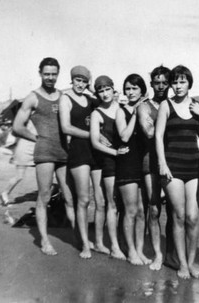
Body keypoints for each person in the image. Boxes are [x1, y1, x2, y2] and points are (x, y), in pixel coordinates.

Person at [13, 57, 75, 255]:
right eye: (46, 73)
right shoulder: (33, 97)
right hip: (45, 152)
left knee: (70, 196)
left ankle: (78, 237)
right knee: (45, 196)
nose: (50, 77)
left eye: (53, 74)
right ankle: (45, 241)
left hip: (64, 152)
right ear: (40, 73)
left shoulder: (63, 96)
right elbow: (16, 127)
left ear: (58, 74)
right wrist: (36, 138)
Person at [155, 65, 199, 279]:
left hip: (194, 166)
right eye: (174, 82)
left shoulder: (197, 106)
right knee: (178, 215)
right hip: (173, 167)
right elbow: (158, 137)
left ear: (189, 83)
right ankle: (182, 263)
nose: (177, 86)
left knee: (192, 217)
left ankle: (191, 262)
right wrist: (162, 164)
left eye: (182, 82)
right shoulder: (166, 105)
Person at [60, 65, 104, 259]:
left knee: (100, 199)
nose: (80, 84)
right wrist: (92, 135)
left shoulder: (89, 98)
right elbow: (66, 127)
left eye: (84, 81)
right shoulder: (65, 98)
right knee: (84, 199)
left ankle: (99, 243)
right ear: (72, 80)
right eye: (77, 80)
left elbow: (106, 101)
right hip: (78, 151)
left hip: (95, 151)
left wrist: (93, 87)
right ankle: (85, 244)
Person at [137, 65, 178, 271]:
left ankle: (172, 253)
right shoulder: (145, 106)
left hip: (174, 160)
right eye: (157, 82)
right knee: (153, 209)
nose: (161, 86)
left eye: (165, 82)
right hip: (150, 161)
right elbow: (150, 132)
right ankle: (158, 254)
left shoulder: (176, 103)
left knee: (174, 210)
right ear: (151, 83)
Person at [89, 75, 128, 260]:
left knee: (124, 204)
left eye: (107, 90)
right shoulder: (97, 113)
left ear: (114, 89)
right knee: (110, 204)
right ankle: (114, 246)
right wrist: (115, 154)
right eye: (101, 91)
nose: (105, 94)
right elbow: (95, 142)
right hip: (108, 160)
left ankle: (121, 242)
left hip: (124, 160)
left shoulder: (121, 108)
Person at [115, 74, 150, 266]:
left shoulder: (145, 109)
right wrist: (136, 114)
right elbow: (125, 136)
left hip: (141, 163)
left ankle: (139, 249)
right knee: (130, 210)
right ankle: (131, 252)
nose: (130, 92)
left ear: (142, 91)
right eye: (127, 88)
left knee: (141, 211)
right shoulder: (122, 111)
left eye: (134, 88)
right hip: (127, 163)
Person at [0, 121, 36, 205]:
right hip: (25, 149)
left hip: (35, 148)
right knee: (19, 176)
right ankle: (5, 193)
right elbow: (16, 133)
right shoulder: (27, 121)